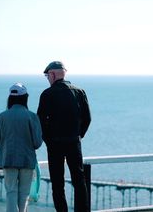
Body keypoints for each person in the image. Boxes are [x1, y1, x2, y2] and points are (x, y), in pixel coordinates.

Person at [37, 61, 91, 212]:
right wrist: (78, 135)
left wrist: (48, 140)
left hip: (55, 144)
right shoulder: (79, 91)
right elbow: (87, 118)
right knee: (79, 180)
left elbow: (40, 122)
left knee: (57, 183)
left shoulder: (47, 94)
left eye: (47, 75)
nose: (48, 78)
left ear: (53, 74)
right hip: (74, 142)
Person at [0, 83, 43, 212]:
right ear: (25, 98)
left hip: (8, 160)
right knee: (24, 193)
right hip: (27, 160)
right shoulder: (32, 116)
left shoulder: (2, 116)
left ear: (10, 98)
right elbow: (37, 143)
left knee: (11, 192)